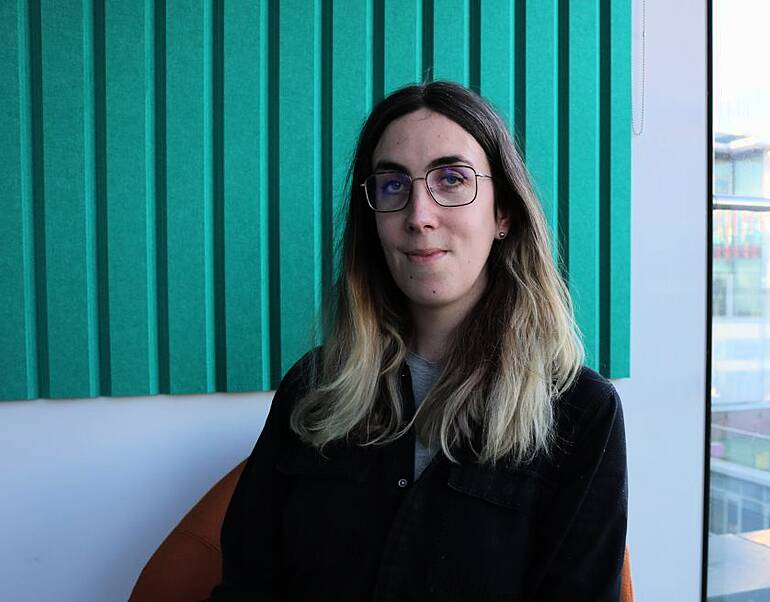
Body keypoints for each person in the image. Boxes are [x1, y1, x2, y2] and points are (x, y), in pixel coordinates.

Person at [207, 81, 628, 601]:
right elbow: (250, 586)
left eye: (451, 179)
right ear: (374, 222)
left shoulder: (581, 413)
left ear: (503, 215)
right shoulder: (314, 389)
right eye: (392, 186)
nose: (418, 215)